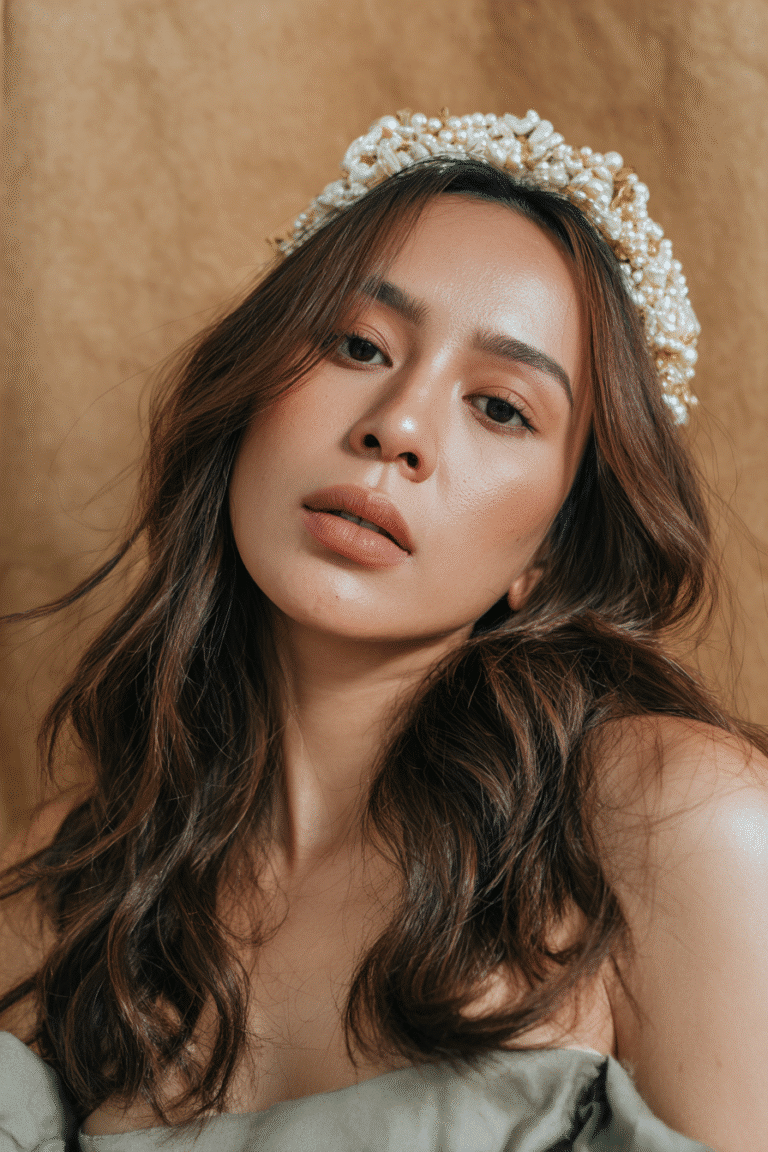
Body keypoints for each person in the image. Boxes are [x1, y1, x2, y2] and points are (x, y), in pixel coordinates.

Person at [0, 109, 766, 1152]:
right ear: (250, 399)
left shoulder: (671, 823)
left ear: (550, 549)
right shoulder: (60, 879)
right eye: (358, 345)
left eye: (501, 407)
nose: (396, 428)